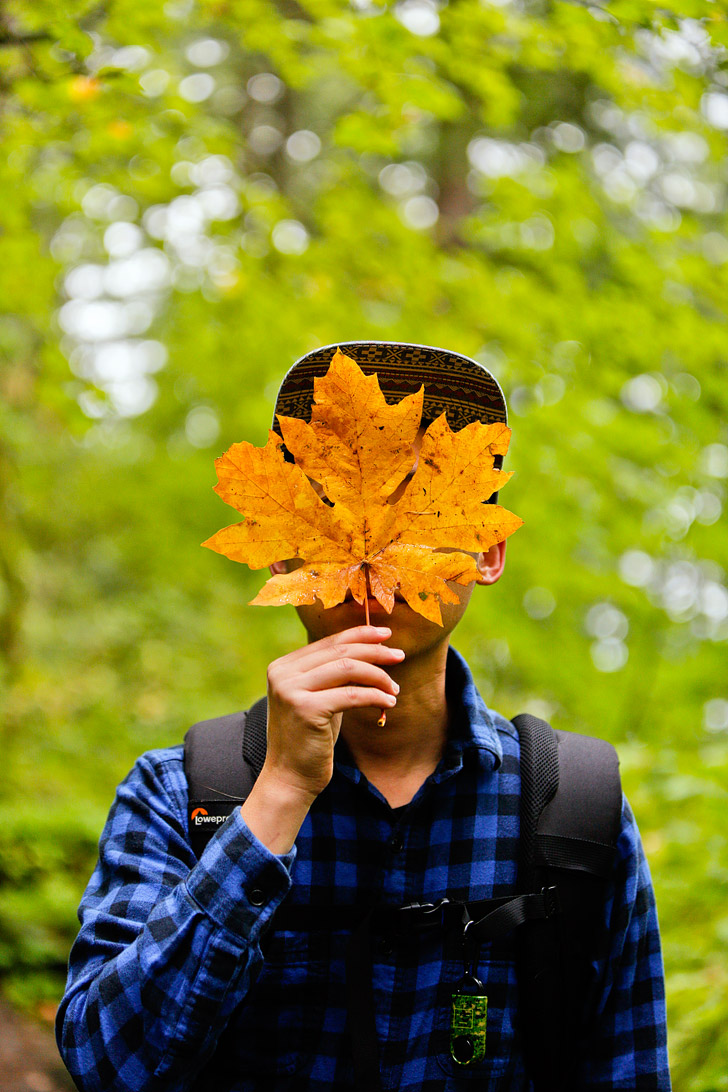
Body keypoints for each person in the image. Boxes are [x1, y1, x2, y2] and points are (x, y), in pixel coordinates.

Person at [57, 341, 671, 1091]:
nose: (375, 562)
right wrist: (275, 798)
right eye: (330, 513)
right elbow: (106, 1066)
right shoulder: (179, 796)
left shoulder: (575, 811)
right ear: (280, 551)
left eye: (417, 506)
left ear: (489, 548)